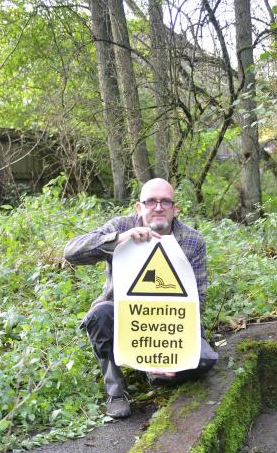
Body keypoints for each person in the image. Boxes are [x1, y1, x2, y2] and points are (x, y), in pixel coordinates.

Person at [63, 178, 218, 418]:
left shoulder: (192, 240)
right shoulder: (121, 225)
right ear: (139, 207)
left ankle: (155, 370)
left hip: (170, 320)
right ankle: (116, 392)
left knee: (205, 360)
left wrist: (170, 355)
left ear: (175, 209)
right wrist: (120, 239)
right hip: (125, 317)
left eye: (165, 201)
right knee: (99, 314)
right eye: (151, 202)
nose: (158, 207)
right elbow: (71, 252)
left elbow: (197, 300)